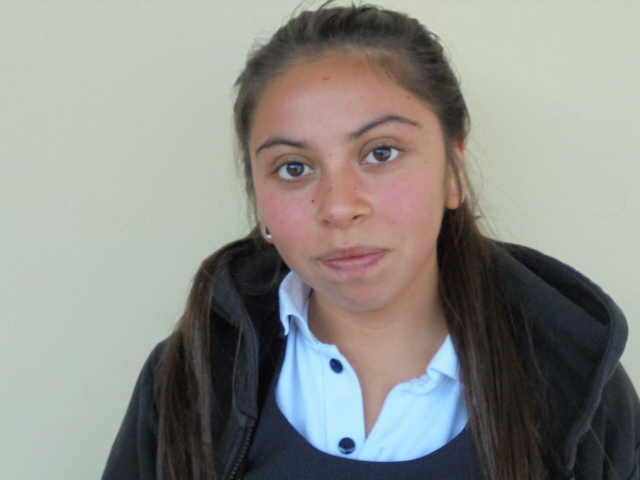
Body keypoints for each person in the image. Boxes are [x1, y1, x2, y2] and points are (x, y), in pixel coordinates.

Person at [102, 3, 640, 479]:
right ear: (259, 201)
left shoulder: (579, 385)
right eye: (293, 167)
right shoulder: (190, 376)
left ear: (453, 171)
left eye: (381, 152)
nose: (339, 207)